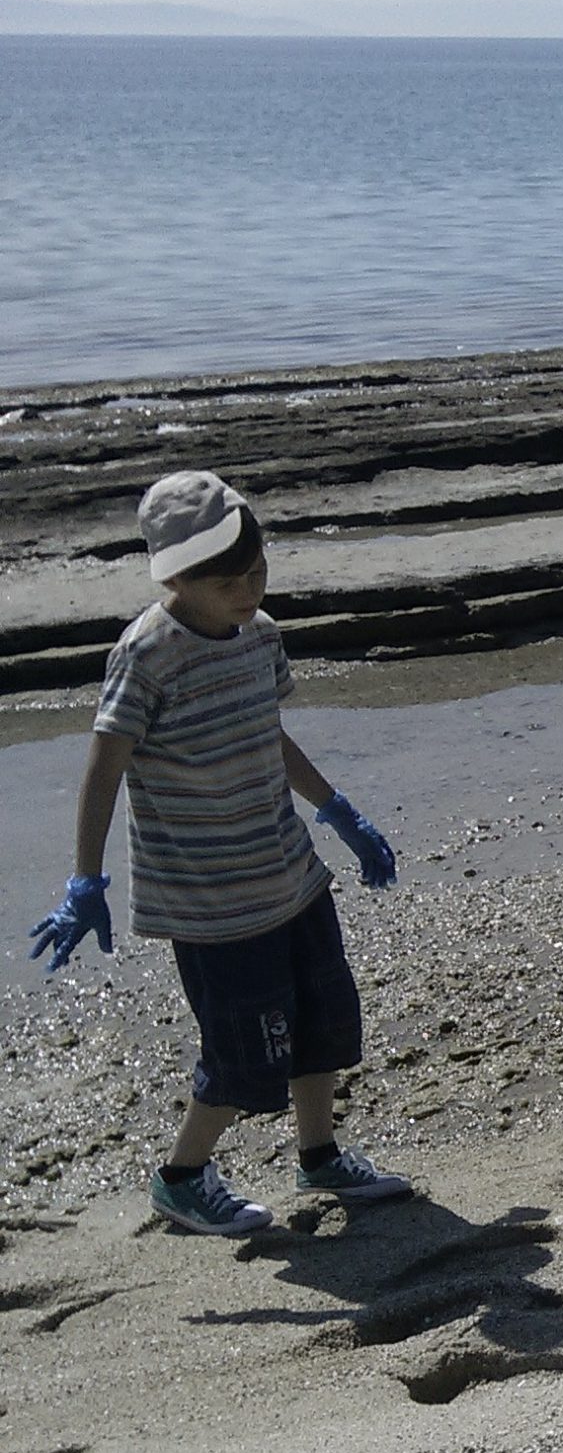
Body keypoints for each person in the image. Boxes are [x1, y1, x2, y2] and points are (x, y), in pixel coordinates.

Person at [27, 472, 413, 1237]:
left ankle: (320, 1155)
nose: (248, 592)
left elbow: (269, 732)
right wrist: (84, 880)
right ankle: (181, 1177)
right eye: (228, 582)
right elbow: (103, 767)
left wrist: (338, 811)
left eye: (257, 572)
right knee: (244, 1050)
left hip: (289, 872)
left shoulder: (260, 634)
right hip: (211, 900)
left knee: (324, 1018)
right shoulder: (147, 654)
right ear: (174, 577)